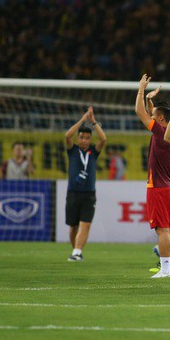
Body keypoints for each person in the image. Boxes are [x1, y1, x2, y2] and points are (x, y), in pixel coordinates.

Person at [135, 74, 170, 278]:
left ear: (161, 118)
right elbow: (148, 111)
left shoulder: (160, 131)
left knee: (162, 230)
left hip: (159, 187)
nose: (150, 116)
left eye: (153, 114)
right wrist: (149, 100)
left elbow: (139, 112)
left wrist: (140, 90)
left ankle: (164, 269)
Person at [64, 106, 106, 261]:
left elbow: (103, 139)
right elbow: (67, 136)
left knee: (86, 223)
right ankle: (75, 250)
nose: (84, 140)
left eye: (87, 138)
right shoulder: (72, 150)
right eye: (81, 137)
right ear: (78, 138)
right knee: (73, 226)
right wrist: (82, 120)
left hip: (89, 193)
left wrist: (94, 122)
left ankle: (77, 252)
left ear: (90, 139)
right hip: (73, 192)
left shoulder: (93, 152)